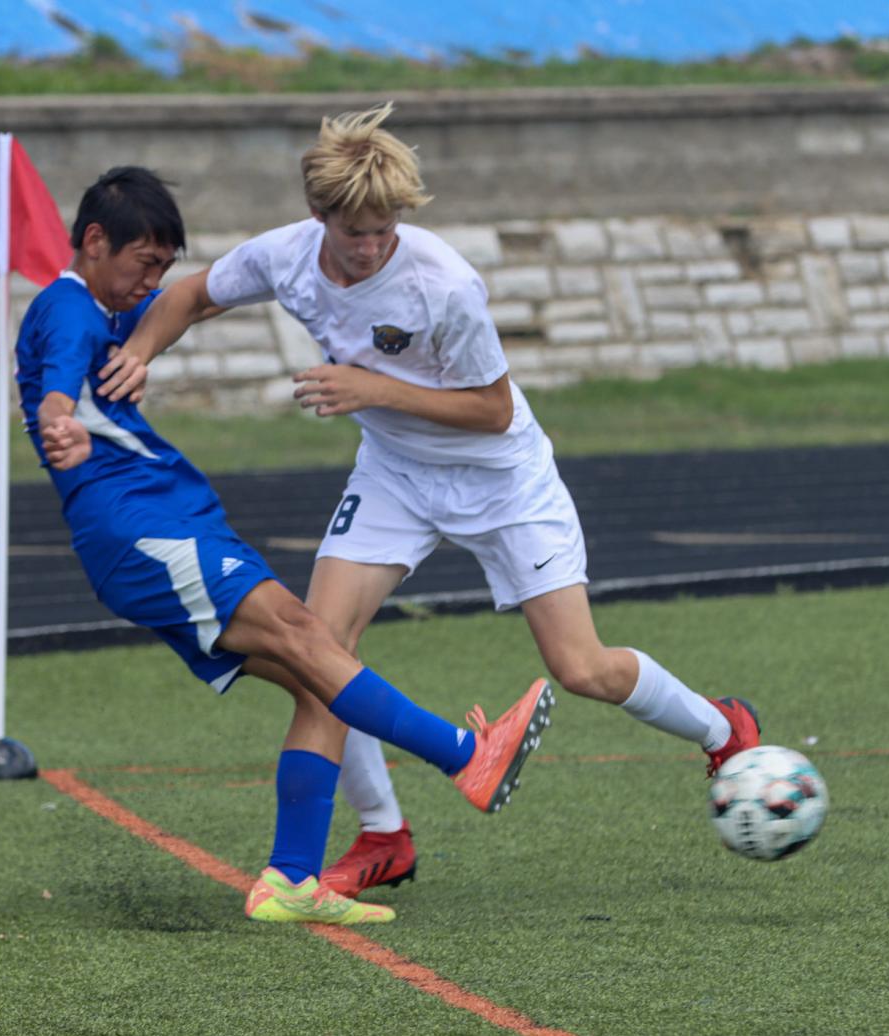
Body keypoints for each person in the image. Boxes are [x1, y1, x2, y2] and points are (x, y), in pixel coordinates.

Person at [97, 104, 762, 901]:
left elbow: (491, 408)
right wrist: (136, 352)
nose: (373, 245)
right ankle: (382, 837)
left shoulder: (442, 284)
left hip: (503, 480)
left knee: (580, 667)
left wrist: (371, 387)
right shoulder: (287, 255)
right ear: (319, 219)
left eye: (385, 229)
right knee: (320, 651)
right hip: (395, 476)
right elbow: (193, 296)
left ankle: (725, 730)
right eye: (356, 233)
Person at [18, 165, 555, 927]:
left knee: (317, 680)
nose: (151, 284)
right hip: (140, 532)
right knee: (310, 635)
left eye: (162, 269)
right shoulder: (67, 308)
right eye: (143, 265)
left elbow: (185, 301)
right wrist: (58, 417)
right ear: (95, 242)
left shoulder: (108, 307)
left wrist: (145, 335)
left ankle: (290, 881)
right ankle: (466, 757)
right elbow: (57, 382)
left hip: (165, 519)